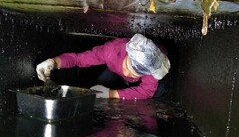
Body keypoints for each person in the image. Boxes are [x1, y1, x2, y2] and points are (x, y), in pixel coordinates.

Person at [36, 33, 170, 100]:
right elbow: (79, 59)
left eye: (134, 73)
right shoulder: (111, 51)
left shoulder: (153, 66)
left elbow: (146, 91)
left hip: (146, 82)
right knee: (100, 84)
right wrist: (53, 62)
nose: (127, 73)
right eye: (127, 67)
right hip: (115, 70)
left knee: (159, 92)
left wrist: (112, 94)